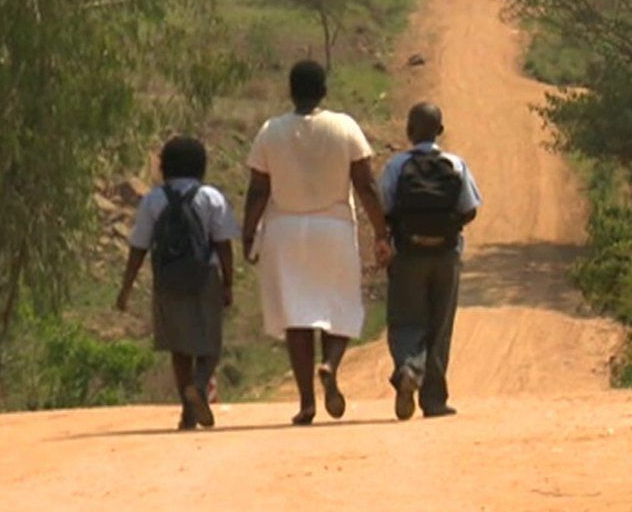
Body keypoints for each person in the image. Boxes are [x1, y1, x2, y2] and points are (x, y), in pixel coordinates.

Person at [243, 60, 392, 425]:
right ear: (323, 91)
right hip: (334, 228)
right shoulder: (344, 127)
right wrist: (381, 232)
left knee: (297, 316)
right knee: (339, 305)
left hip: (284, 231)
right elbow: (366, 184)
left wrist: (247, 232)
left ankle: (307, 402)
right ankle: (330, 364)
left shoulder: (270, 131)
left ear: (290, 91)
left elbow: (258, 189)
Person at [117, 136, 240, 430]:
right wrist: (228, 283)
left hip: (167, 278)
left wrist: (126, 288)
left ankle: (187, 412)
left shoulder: (153, 200)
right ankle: (199, 384)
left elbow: (139, 247)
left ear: (165, 167)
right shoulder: (211, 197)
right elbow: (223, 244)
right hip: (204, 276)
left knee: (178, 345)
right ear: (201, 165)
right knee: (210, 343)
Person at [379, 102, 482, 420]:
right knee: (440, 325)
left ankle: (409, 368)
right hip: (447, 255)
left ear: (409, 131)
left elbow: (384, 207)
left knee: (406, 320)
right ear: (440, 131)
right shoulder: (455, 164)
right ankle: (434, 400)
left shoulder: (396, 167)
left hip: (408, 255)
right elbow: (470, 209)